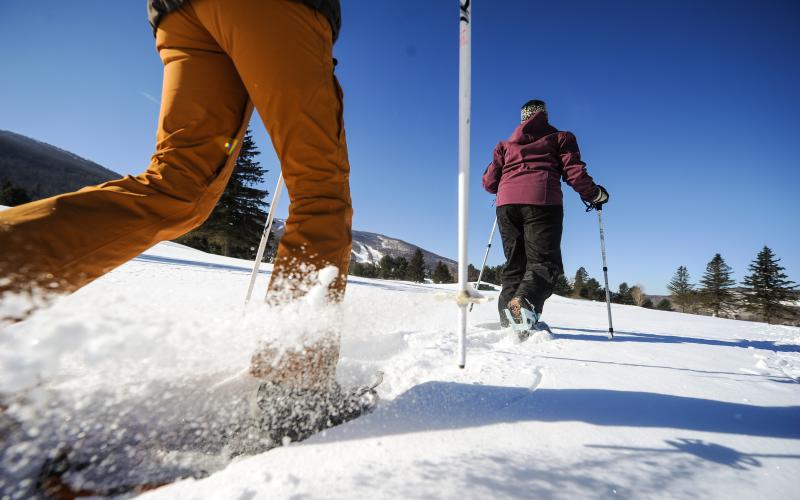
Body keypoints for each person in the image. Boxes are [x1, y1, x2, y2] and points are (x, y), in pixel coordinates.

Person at [0, 0, 351, 391]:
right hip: (276, 10)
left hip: (180, 12)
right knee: (320, 192)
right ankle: (297, 389)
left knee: (177, 186)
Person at [482, 99, 608, 331]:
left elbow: (490, 183)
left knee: (514, 264)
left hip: (507, 205)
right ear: (545, 116)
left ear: (522, 118)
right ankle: (523, 304)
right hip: (542, 202)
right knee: (544, 262)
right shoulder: (560, 138)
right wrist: (595, 194)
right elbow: (574, 173)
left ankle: (507, 323)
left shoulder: (504, 146)